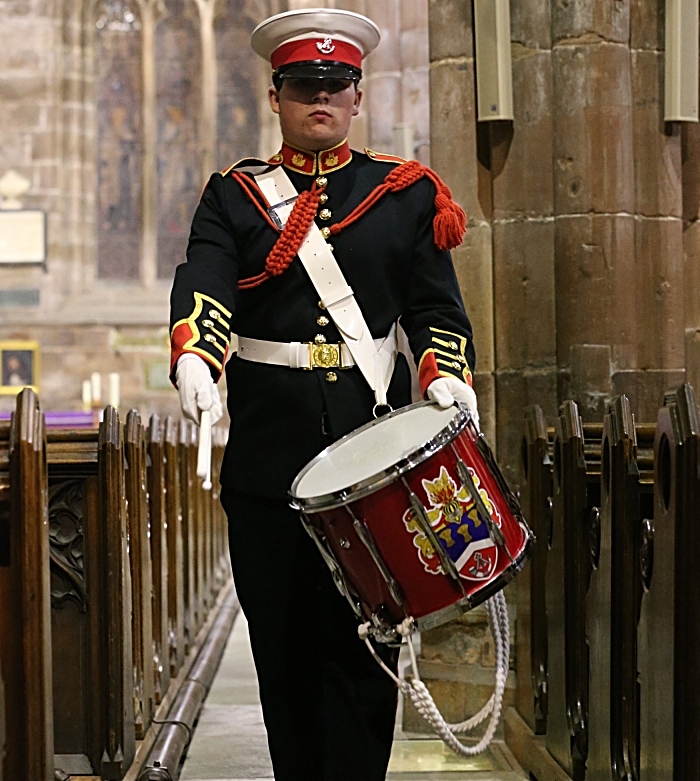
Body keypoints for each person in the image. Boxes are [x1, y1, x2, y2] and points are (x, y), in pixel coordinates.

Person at [169, 8, 478, 780]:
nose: (321, 99)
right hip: (268, 469)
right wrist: (197, 359)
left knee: (368, 659)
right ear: (275, 95)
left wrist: (447, 376)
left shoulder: (403, 194)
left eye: (334, 86)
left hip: (374, 466)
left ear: (356, 95)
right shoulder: (234, 198)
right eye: (304, 85)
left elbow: (436, 312)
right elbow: (206, 279)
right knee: (285, 656)